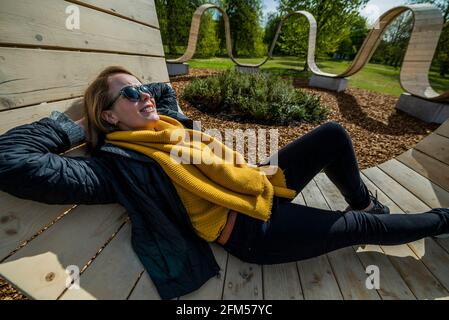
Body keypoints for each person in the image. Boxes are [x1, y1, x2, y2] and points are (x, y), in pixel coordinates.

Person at [0, 66, 448, 299]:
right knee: (359, 230)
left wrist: (132, 93)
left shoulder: (168, 125)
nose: (147, 97)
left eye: (143, 90)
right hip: (252, 231)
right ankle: (442, 220)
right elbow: (10, 161)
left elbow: (162, 89)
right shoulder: (116, 166)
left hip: (257, 183)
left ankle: (366, 202)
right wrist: (79, 123)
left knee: (332, 134)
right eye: (131, 94)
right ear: (108, 116)